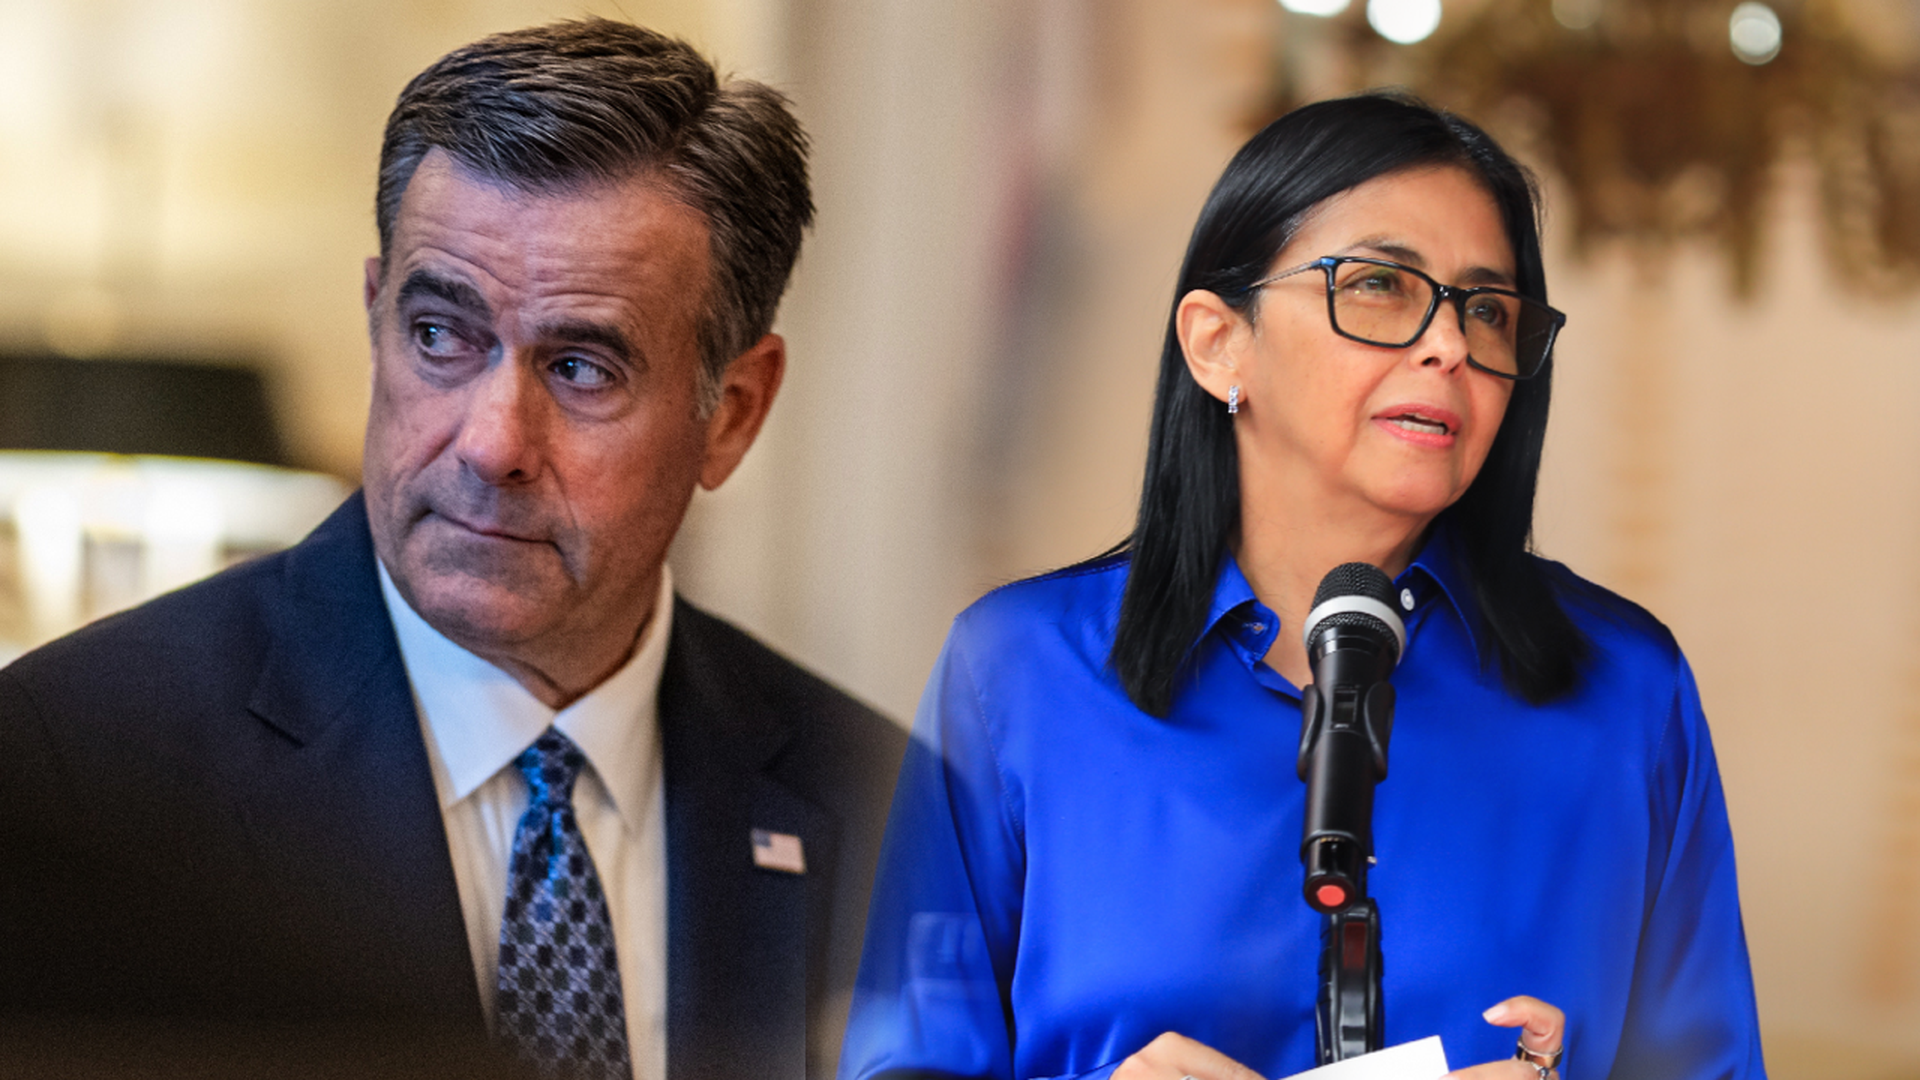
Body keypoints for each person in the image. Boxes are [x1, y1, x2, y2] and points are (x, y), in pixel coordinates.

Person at [0, 19, 904, 1080]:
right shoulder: (71, 770)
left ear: (734, 412)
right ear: (376, 317)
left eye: (581, 368)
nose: (491, 443)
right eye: (439, 335)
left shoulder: (898, 819)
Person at [838, 94, 1764, 1080]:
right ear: (1217, 343)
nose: (1450, 345)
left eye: (1488, 310)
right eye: (1378, 285)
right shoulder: (1020, 672)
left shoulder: (1625, 690)